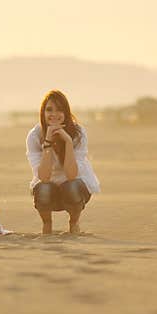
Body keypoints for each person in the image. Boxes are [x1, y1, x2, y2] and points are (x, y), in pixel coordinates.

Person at [25, 89, 100, 235]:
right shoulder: (35, 135)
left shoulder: (78, 133)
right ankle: (47, 225)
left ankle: (74, 223)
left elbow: (72, 175)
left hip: (75, 189)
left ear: (66, 112)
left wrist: (68, 142)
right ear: (43, 113)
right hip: (49, 189)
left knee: (71, 186)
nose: (54, 114)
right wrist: (47, 142)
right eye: (49, 110)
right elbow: (44, 177)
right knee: (43, 188)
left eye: (60, 109)